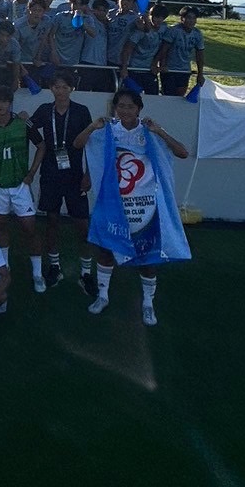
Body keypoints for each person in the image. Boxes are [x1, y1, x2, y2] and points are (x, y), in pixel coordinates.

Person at [77, 86, 192, 322]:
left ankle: (148, 303)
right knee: (106, 248)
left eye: (130, 106)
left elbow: (182, 152)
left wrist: (160, 131)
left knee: (147, 255)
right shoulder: (109, 130)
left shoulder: (149, 130)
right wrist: (91, 127)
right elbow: (79, 145)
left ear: (139, 108)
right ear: (115, 108)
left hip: (145, 206)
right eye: (121, 106)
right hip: (113, 202)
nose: (125, 111)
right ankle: (102, 295)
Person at [29, 71, 95, 295]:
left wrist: (89, 174)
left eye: (64, 87)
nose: (60, 91)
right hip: (50, 175)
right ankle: (54, 267)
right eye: (56, 87)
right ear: (51, 89)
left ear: (71, 89)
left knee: (82, 226)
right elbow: (28, 127)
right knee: (52, 222)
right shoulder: (44, 110)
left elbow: (90, 144)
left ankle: (86, 272)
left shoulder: (81, 111)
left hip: (75, 176)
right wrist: (40, 143)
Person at [0, 85, 47, 292]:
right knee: (0, 226)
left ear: (10, 103)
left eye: (4, 101)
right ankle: (4, 269)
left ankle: (37, 273)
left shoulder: (23, 124)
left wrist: (31, 173)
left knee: (30, 229)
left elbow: (41, 146)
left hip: (20, 186)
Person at [155, 6, 206, 97]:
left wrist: (200, 74)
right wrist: (162, 65)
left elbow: (200, 55)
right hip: (170, 69)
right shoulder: (173, 31)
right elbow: (164, 50)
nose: (191, 21)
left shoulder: (197, 34)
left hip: (184, 70)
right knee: (168, 96)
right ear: (182, 18)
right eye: (189, 18)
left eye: (194, 18)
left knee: (180, 96)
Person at [119, 3, 169, 93]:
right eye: (156, 17)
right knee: (133, 95)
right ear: (150, 16)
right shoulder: (140, 31)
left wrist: (158, 64)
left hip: (149, 70)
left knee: (153, 95)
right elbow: (127, 49)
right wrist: (124, 68)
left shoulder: (164, 28)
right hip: (134, 69)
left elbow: (164, 48)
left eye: (162, 17)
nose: (159, 20)